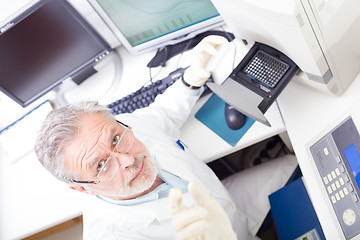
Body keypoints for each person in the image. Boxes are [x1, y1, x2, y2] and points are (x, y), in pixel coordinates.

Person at [34, 36, 297, 239]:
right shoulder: (116, 234)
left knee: (302, 165)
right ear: (81, 188)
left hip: (228, 203)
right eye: (101, 165)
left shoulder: (124, 127)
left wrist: (190, 80)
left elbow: (164, 115)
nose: (127, 160)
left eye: (115, 140)